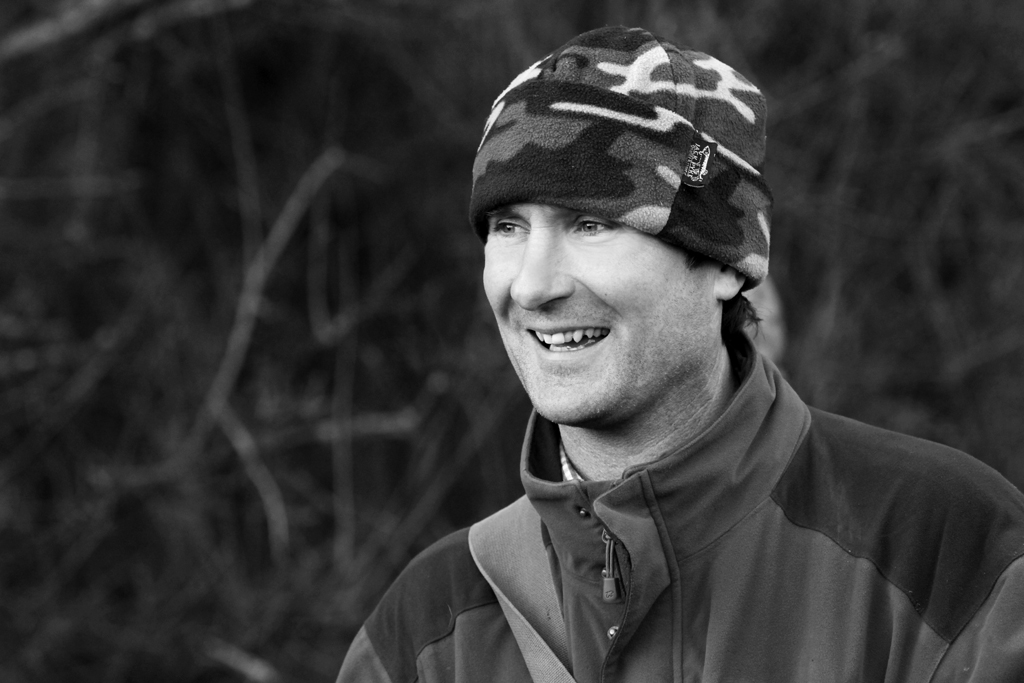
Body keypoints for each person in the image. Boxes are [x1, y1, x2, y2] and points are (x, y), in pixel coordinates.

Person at [336, 26, 1024, 682]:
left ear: (725, 261)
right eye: (508, 226)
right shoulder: (427, 632)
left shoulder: (944, 555)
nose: (533, 285)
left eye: (592, 224)